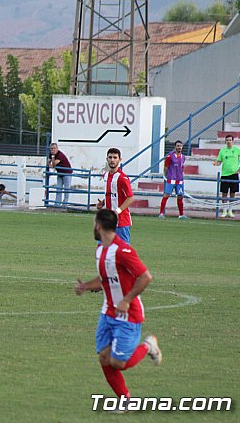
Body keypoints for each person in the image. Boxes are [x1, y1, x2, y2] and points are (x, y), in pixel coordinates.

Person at [75, 209, 161, 405]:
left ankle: (148, 345)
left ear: (99, 225)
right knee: (104, 358)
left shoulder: (123, 250)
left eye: (93, 223)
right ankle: (126, 400)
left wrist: (127, 299)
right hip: (108, 313)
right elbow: (106, 278)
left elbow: (145, 277)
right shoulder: (101, 250)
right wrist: (86, 286)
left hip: (127, 314)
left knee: (118, 363)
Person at [96, 148, 134, 244]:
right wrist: (103, 203)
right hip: (107, 220)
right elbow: (112, 193)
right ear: (107, 159)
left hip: (121, 221)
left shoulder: (122, 178)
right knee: (102, 248)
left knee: (124, 251)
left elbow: (130, 198)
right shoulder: (106, 175)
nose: (112, 160)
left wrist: (117, 211)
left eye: (115, 157)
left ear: (120, 160)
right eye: (110, 157)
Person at [213, 134, 240, 218]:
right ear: (225, 141)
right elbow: (219, 161)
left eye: (230, 140)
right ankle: (224, 211)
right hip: (225, 174)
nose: (229, 141)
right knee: (224, 193)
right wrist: (216, 163)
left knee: (232, 193)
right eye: (227, 140)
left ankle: (230, 210)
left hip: (234, 174)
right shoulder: (222, 151)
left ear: (233, 141)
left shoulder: (237, 150)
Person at [159, 140, 189, 219]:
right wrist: (166, 176)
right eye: (178, 146)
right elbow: (166, 167)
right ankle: (161, 213)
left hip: (180, 180)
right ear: (175, 147)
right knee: (166, 195)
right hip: (171, 179)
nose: (179, 147)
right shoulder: (170, 156)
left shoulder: (183, 157)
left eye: (180, 146)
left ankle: (181, 214)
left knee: (180, 196)